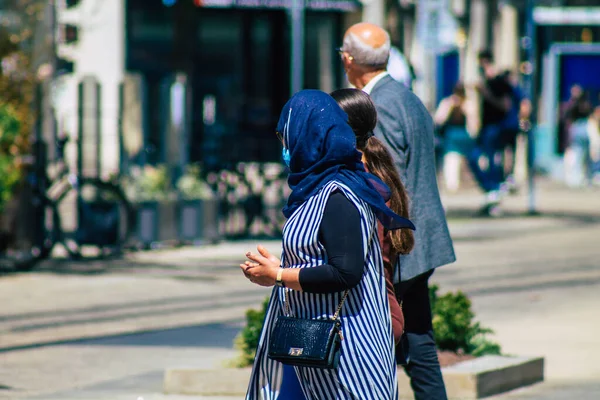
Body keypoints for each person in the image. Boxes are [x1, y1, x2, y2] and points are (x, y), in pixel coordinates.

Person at [240, 89, 415, 400]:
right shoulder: (318, 189)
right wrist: (279, 267)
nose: (284, 146)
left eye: (286, 136)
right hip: (321, 354)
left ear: (309, 136)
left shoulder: (338, 194)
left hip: (349, 359)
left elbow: (345, 272)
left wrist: (278, 276)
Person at [338, 22, 456, 400]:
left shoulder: (378, 106)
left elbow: (386, 183)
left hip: (400, 243)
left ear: (350, 59)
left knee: (381, 337)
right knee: (417, 337)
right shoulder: (407, 97)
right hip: (421, 239)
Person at [331, 87, 415, 345]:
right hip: (377, 315)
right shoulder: (375, 175)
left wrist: (280, 274)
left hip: (367, 321)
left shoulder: (360, 186)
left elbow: (350, 266)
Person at [468, 50, 514, 215]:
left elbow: (505, 105)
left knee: (491, 161)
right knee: (474, 158)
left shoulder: (499, 82)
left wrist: (485, 93)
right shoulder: (485, 81)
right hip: (485, 127)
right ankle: (491, 191)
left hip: (495, 127)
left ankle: (494, 191)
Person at [433, 82, 477, 193]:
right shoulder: (467, 104)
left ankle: (453, 183)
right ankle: (458, 182)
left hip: (453, 134)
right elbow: (473, 122)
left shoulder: (447, 103)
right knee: (462, 159)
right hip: (461, 134)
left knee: (452, 159)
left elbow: (438, 119)